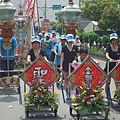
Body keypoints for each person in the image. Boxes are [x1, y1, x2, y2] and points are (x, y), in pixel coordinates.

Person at [60, 34, 79, 100]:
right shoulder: (64, 48)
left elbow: (77, 57)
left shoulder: (75, 48)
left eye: (71, 41)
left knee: (73, 80)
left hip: (73, 65)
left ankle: (71, 92)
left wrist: (76, 61)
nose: (71, 42)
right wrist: (61, 65)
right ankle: (67, 93)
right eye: (69, 41)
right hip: (66, 64)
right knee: (66, 79)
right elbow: (62, 57)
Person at [104, 33, 120, 98]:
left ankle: (117, 96)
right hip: (109, 65)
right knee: (108, 81)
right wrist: (109, 59)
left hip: (117, 66)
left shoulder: (119, 47)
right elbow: (106, 54)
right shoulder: (108, 48)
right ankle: (107, 95)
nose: (114, 41)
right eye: (112, 40)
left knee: (117, 82)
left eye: (115, 40)